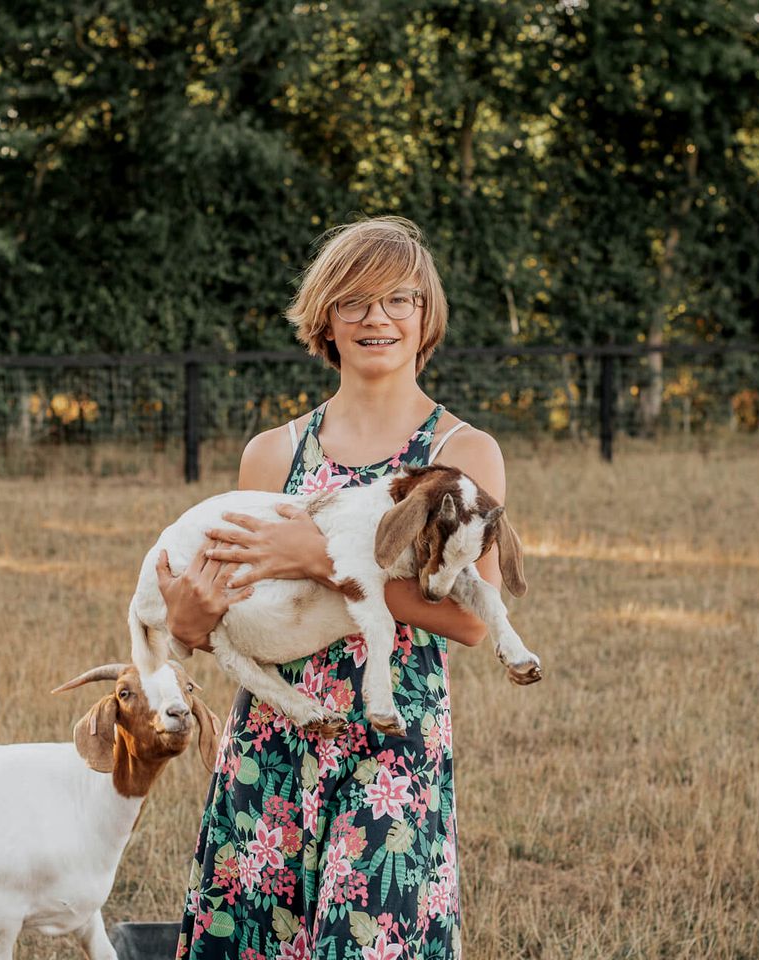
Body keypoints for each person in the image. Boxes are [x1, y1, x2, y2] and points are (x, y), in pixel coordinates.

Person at [159, 216, 509, 960]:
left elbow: (474, 621)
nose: (375, 318)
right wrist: (189, 620)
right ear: (325, 316)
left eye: (398, 300)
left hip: (393, 753)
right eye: (354, 301)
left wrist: (321, 556)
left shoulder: (460, 452)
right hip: (271, 742)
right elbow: (220, 611)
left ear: (426, 316)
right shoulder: (274, 453)